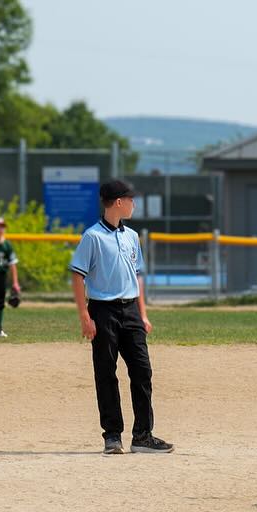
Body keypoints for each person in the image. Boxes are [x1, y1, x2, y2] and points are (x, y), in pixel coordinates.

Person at [69, 180, 173, 455]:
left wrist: (143, 314)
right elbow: (78, 275)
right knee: (106, 372)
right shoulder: (92, 237)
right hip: (103, 310)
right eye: (131, 199)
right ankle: (112, 436)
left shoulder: (132, 236)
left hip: (130, 312)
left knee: (142, 371)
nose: (133, 204)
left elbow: (137, 276)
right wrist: (84, 316)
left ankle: (142, 436)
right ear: (118, 202)